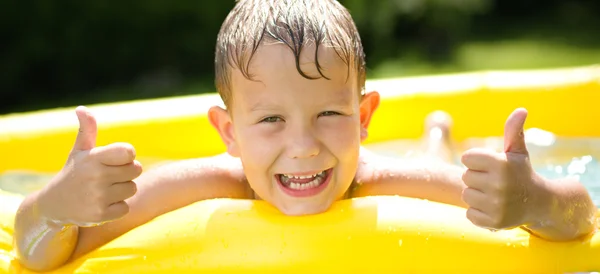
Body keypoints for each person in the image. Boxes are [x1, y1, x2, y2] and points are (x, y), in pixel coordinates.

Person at [13, 0, 597, 271]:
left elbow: (582, 221)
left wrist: (536, 201)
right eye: (269, 120)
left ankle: (436, 133)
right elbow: (41, 255)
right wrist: (56, 206)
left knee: (436, 159)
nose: (304, 147)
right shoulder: (199, 184)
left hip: (405, 164)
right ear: (228, 132)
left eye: (329, 115)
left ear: (364, 118)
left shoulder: (387, 178)